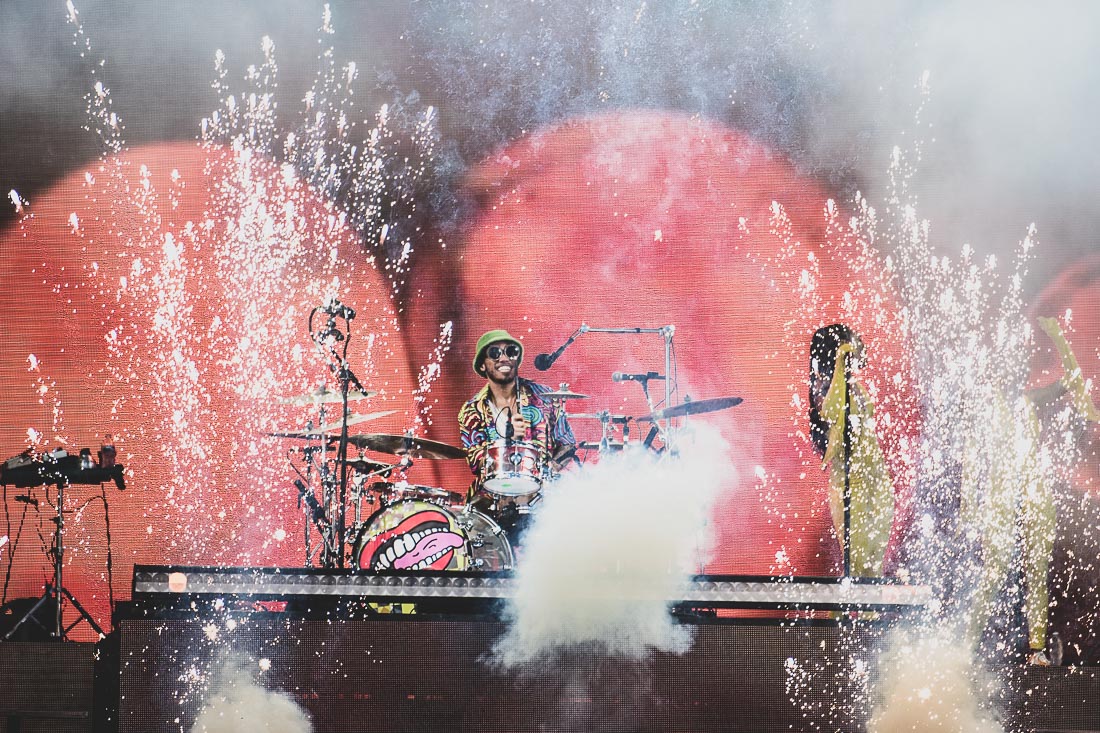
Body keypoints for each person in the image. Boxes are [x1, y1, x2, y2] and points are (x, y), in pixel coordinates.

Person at [458, 329, 575, 540]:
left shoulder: (544, 396)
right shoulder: (471, 410)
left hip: (542, 494)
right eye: (495, 352)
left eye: (510, 352)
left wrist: (544, 473)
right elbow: (475, 463)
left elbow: (567, 444)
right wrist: (506, 440)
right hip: (491, 498)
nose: (504, 357)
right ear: (482, 365)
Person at [808, 324, 896, 578]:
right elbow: (832, 410)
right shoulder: (824, 389)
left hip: (877, 480)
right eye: (849, 347)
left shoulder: (853, 387)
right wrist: (841, 360)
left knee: (873, 564)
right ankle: (844, 617)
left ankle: (869, 617)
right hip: (851, 483)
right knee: (856, 563)